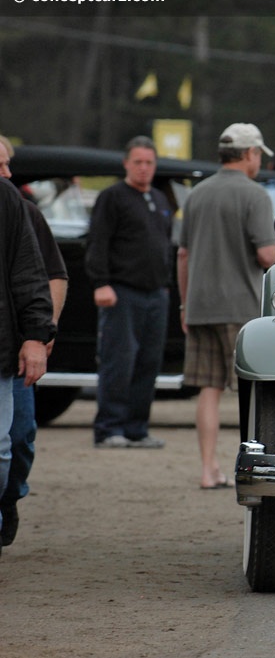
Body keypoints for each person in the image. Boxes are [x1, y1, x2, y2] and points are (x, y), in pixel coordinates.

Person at [177, 123, 275, 489]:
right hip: (241, 308)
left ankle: (208, 470)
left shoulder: (197, 194)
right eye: (257, 155)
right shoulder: (256, 196)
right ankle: (249, 469)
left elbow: (183, 254)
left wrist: (185, 305)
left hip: (201, 305)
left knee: (208, 389)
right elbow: (267, 254)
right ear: (250, 153)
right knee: (250, 391)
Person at [0, 136, 68, 548]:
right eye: (0, 165)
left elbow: (51, 276)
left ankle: (8, 499)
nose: (7, 173)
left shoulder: (19, 209)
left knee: (18, 439)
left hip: (11, 348)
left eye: (8, 164)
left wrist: (41, 333)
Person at [84, 136, 172, 449]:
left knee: (148, 363)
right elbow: (98, 242)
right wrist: (101, 283)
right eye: (138, 162)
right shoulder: (112, 197)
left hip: (155, 295)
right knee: (118, 361)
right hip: (121, 292)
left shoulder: (161, 200)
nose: (144, 168)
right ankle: (109, 428)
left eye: (149, 162)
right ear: (126, 163)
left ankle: (137, 428)